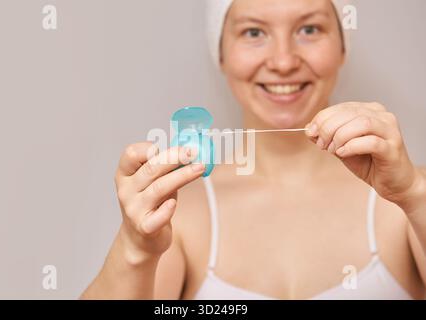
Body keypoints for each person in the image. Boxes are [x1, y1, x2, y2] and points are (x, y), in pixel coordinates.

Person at [81, 0, 426, 299]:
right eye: (253, 32)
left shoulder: (407, 200)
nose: (283, 61)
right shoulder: (178, 215)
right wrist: (134, 250)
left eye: (309, 29)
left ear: (342, 45)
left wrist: (414, 193)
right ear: (221, 52)